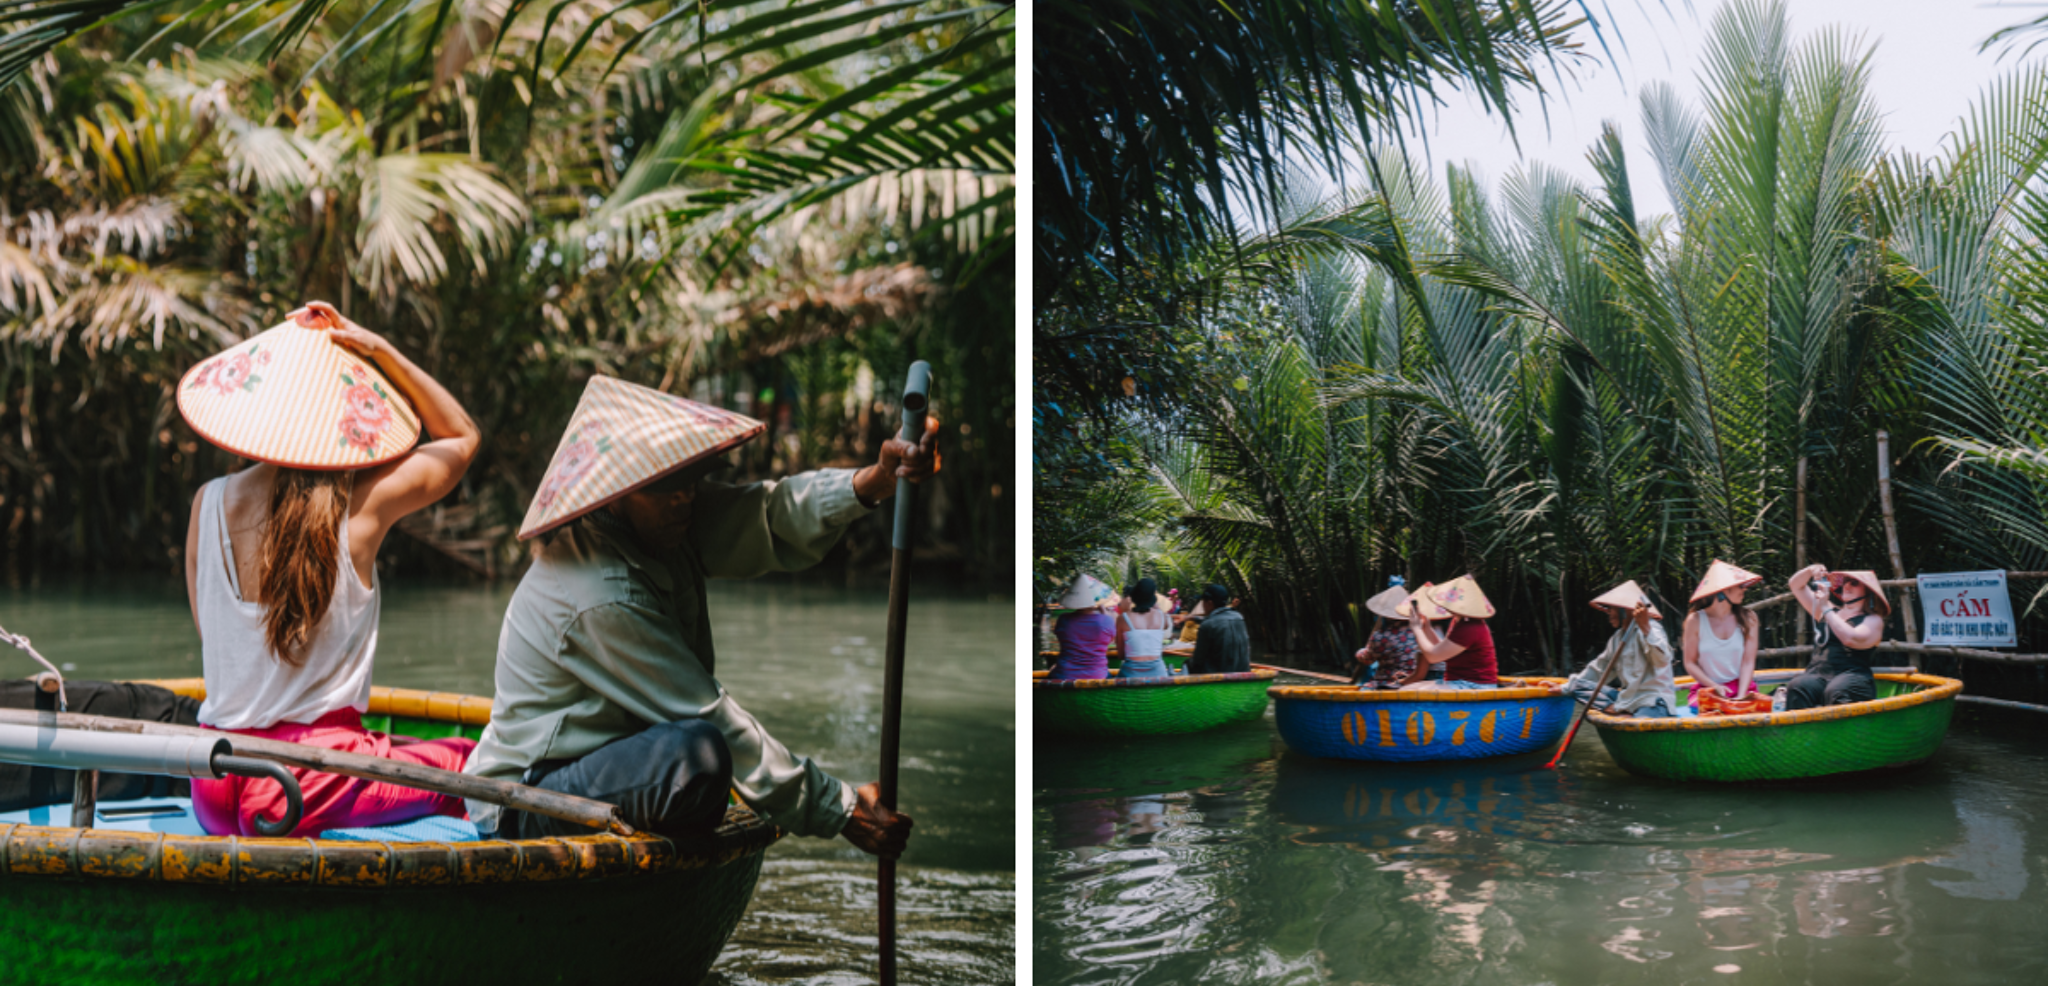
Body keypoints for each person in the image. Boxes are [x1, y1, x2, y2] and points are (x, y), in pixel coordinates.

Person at [463, 374, 934, 858]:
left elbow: (770, 514)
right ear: (618, 492)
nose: (685, 497)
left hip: (604, 765)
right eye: (666, 487)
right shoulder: (600, 594)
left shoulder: (666, 517)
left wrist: (875, 480)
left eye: (690, 482)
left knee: (701, 758)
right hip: (524, 799)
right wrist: (842, 808)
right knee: (698, 758)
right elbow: (704, 712)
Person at [179, 301, 482, 837]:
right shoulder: (360, 509)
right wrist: (379, 350)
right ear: (335, 419)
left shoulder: (207, 503)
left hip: (213, 778)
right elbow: (461, 438)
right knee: (469, 759)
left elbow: (220, 643)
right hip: (304, 782)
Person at [1546, 580, 1676, 717]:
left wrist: (1645, 628)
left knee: (1640, 722)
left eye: (1612, 609)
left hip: (1651, 700)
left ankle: (1625, 713)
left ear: (1625, 609)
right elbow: (1599, 668)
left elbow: (1662, 660)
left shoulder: (1651, 628)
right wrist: (1564, 688)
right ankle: (1620, 709)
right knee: (1576, 686)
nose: (1608, 613)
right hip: (1627, 699)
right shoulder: (1617, 638)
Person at [1783, 565, 1888, 710]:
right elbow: (1796, 586)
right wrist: (1810, 570)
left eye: (1854, 583)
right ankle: (1801, 732)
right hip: (1817, 675)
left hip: (1852, 675)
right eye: (1845, 582)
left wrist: (1826, 608)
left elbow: (1851, 639)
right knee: (1798, 686)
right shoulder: (1828, 610)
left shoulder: (1873, 619)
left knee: (1837, 690)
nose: (1846, 586)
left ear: (1868, 591)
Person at [1683, 560, 1767, 715]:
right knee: (1709, 712)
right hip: (1708, 688)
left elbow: (1748, 661)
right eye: (1739, 586)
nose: (1744, 589)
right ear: (1723, 590)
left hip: (1742, 686)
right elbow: (1690, 663)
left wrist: (1741, 696)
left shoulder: (1749, 618)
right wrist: (1714, 686)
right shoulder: (1694, 620)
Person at [1401, 576, 1500, 689]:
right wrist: (1426, 627)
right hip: (1459, 682)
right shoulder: (1458, 622)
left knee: (1409, 689)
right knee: (1410, 688)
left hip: (1475, 685)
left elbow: (1433, 657)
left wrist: (1417, 629)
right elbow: (1443, 652)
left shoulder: (1470, 627)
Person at [1352, 578, 1422, 689]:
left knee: (1364, 688)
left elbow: (1367, 659)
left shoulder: (1381, 636)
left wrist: (1359, 653)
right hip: (1416, 682)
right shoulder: (1421, 630)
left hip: (1388, 682)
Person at [1047, 575, 1119, 680]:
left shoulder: (1063, 620)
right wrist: (1103, 612)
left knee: (1053, 668)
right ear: (1095, 598)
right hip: (1098, 675)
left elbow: (1061, 638)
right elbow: (1111, 640)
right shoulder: (1106, 621)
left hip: (1065, 675)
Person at [1114, 578, 1174, 679]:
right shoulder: (1162, 617)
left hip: (1130, 676)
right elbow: (1161, 618)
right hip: (1159, 675)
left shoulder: (1123, 618)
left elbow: (1121, 655)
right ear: (1153, 597)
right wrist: (1153, 603)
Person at [1186, 584, 1251, 675]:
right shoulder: (1239, 618)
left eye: (1203, 602)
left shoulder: (1207, 625)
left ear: (1209, 603)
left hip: (1218, 675)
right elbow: (1217, 621)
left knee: (1188, 664)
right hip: (1243, 672)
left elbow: (1198, 660)